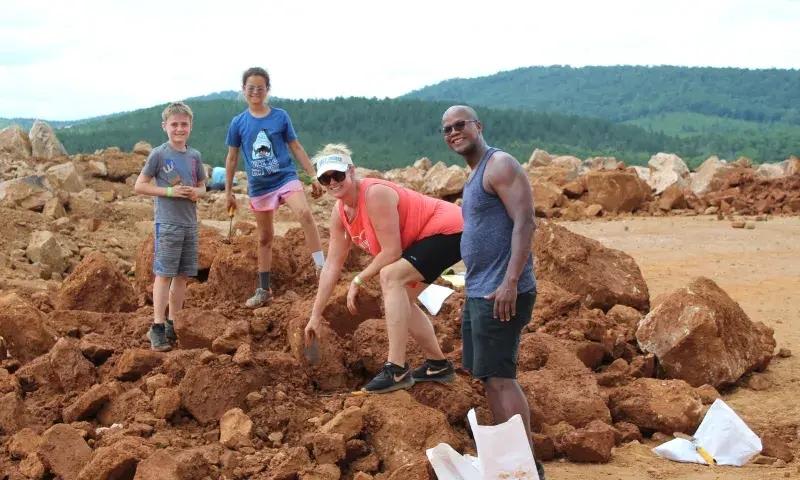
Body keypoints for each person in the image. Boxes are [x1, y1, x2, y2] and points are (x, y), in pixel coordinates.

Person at [304, 144, 461, 393]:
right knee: (400, 300)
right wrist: (315, 315)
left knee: (390, 277)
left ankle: (396, 370)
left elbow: (392, 252)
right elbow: (332, 264)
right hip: (424, 241)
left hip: (449, 230)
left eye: (338, 175)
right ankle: (438, 365)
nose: (332, 182)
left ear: (351, 171)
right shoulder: (340, 212)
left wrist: (359, 279)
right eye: (325, 178)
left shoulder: (374, 194)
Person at [442, 105, 546, 478]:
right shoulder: (473, 177)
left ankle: (526, 468)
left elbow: (525, 222)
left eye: (460, 125)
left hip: (501, 292)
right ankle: (511, 463)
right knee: (489, 378)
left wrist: (510, 282)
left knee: (502, 378)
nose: (454, 132)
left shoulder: (498, 164)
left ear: (478, 126)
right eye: (447, 129)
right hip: (481, 291)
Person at [224, 67, 325, 308]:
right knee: (265, 237)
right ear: (243, 90)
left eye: (260, 88)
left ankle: (322, 268)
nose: (255, 92)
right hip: (260, 186)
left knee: (304, 214)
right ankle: (264, 289)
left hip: (285, 177)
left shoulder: (280, 116)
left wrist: (313, 175)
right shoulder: (238, 123)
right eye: (251, 88)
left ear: (267, 90)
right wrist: (228, 192)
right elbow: (231, 157)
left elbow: (296, 147)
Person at [134, 101, 206, 352]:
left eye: (183, 124)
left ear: (191, 126)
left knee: (183, 275)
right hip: (167, 224)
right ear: (165, 126)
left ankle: (174, 322)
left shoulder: (195, 156)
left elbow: (203, 187)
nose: (179, 129)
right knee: (164, 274)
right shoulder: (158, 154)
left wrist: (196, 193)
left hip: (189, 224)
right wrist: (169, 191)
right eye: (174, 124)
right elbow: (140, 185)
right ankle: (157, 326)